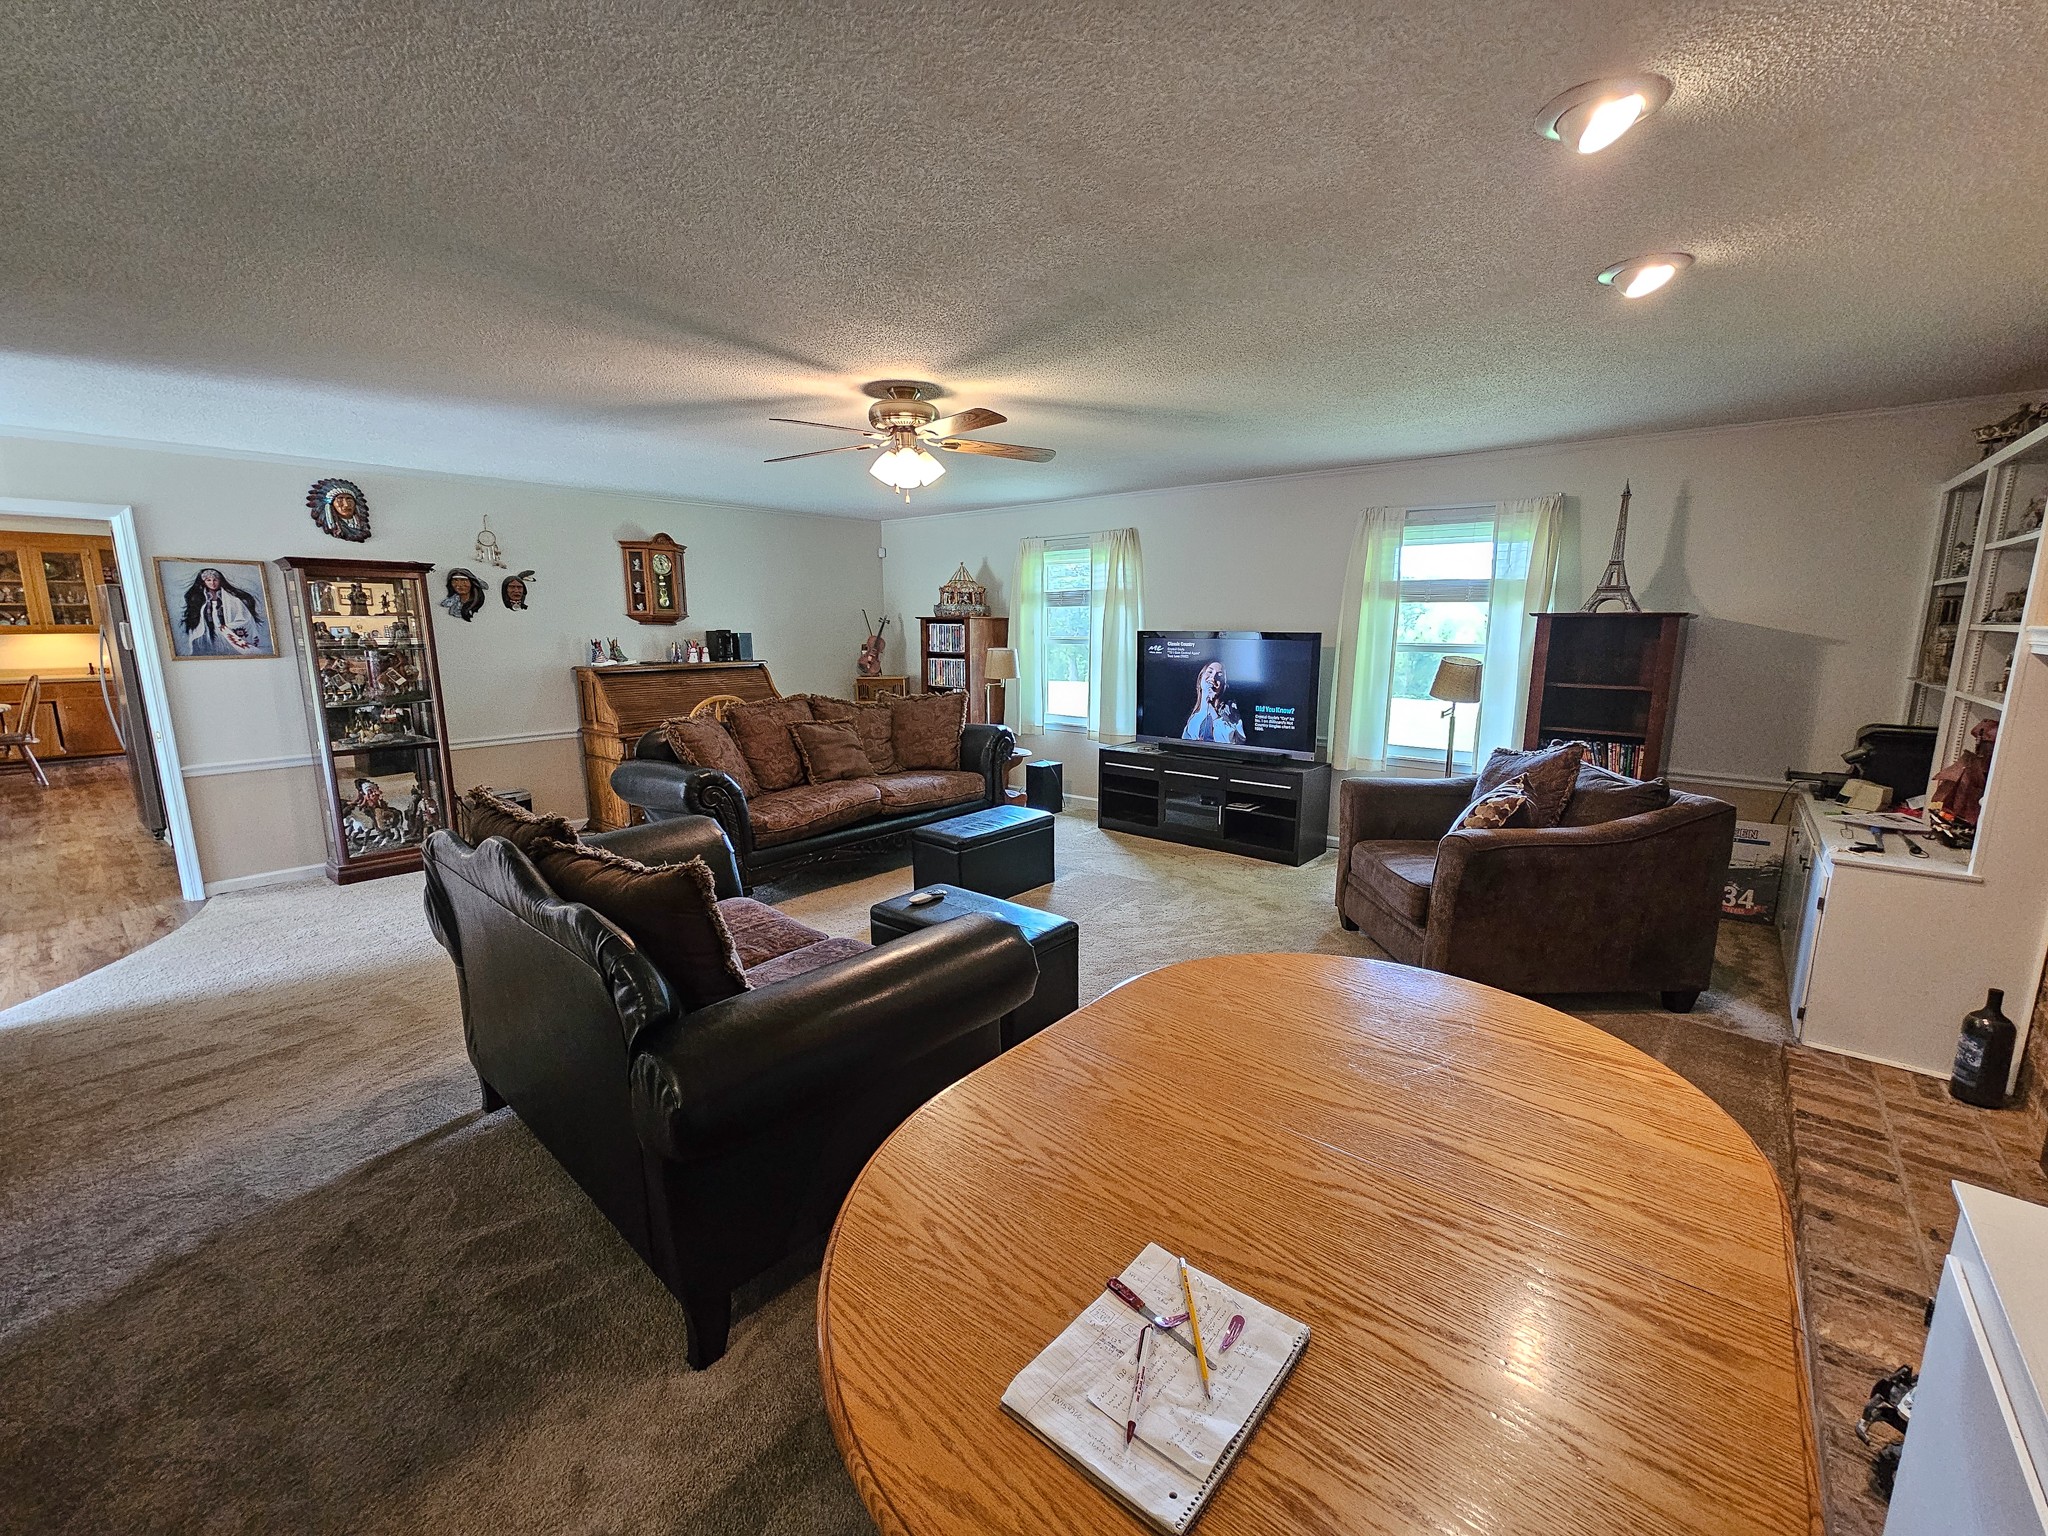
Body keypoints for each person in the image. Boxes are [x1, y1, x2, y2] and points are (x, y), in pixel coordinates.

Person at [181, 567, 268, 656]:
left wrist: (228, 626)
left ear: (220, 581)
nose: (212, 583)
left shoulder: (232, 599)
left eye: (215, 580)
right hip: (207, 631)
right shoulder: (199, 598)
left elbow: (244, 617)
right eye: (208, 580)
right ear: (204, 582)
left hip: (225, 632)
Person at [1182, 660, 1246, 744]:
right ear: (1200, 678)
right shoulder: (1194, 719)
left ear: (1223, 685)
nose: (1213, 678)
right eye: (1210, 672)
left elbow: (1231, 743)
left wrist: (1212, 710)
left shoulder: (1230, 711)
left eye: (1219, 675)